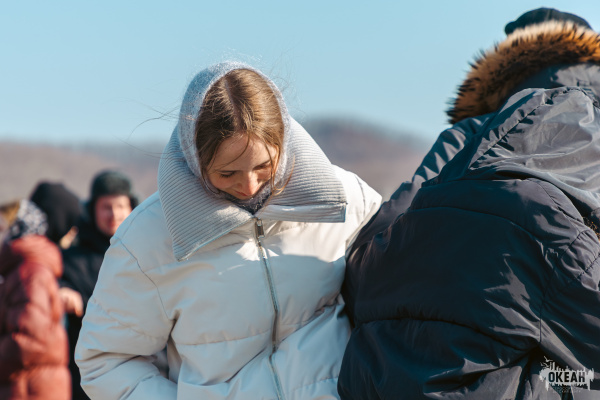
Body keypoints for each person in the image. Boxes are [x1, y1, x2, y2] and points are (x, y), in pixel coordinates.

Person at [75, 62, 382, 399]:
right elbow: (106, 361)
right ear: (196, 159)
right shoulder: (147, 238)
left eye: (264, 166)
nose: (249, 185)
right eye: (227, 173)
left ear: (283, 141)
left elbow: (397, 303)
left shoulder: (343, 201)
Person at [338, 8, 600, 400]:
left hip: (446, 360)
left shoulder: (471, 135)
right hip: (564, 351)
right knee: (578, 380)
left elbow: (384, 239)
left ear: (506, 63)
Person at [59, 170, 138, 400]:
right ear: (92, 210)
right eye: (106, 207)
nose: (114, 214)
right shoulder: (70, 260)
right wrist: (60, 292)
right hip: (88, 380)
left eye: (120, 206)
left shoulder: (148, 253)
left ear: (132, 208)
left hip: (143, 373)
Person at [0, 203, 70, 399]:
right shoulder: (21, 270)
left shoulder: (28, 274)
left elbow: (28, 341)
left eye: (2, 228)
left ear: (17, 229)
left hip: (29, 389)